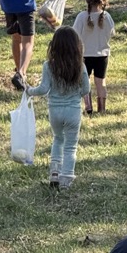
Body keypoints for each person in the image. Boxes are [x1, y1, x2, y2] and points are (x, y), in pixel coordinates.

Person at [26, 25, 90, 189]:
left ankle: (54, 171)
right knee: (70, 146)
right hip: (73, 111)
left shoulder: (49, 66)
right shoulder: (80, 66)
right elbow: (86, 89)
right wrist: (78, 93)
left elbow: (43, 89)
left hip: (54, 110)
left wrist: (29, 90)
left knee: (57, 139)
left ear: (53, 46)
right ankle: (66, 179)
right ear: (76, 46)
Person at [72, 0, 115, 115]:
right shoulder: (107, 16)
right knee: (100, 82)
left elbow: (75, 35)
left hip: (85, 55)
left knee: (85, 82)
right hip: (102, 55)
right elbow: (112, 33)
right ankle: (102, 108)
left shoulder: (82, 17)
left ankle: (88, 107)